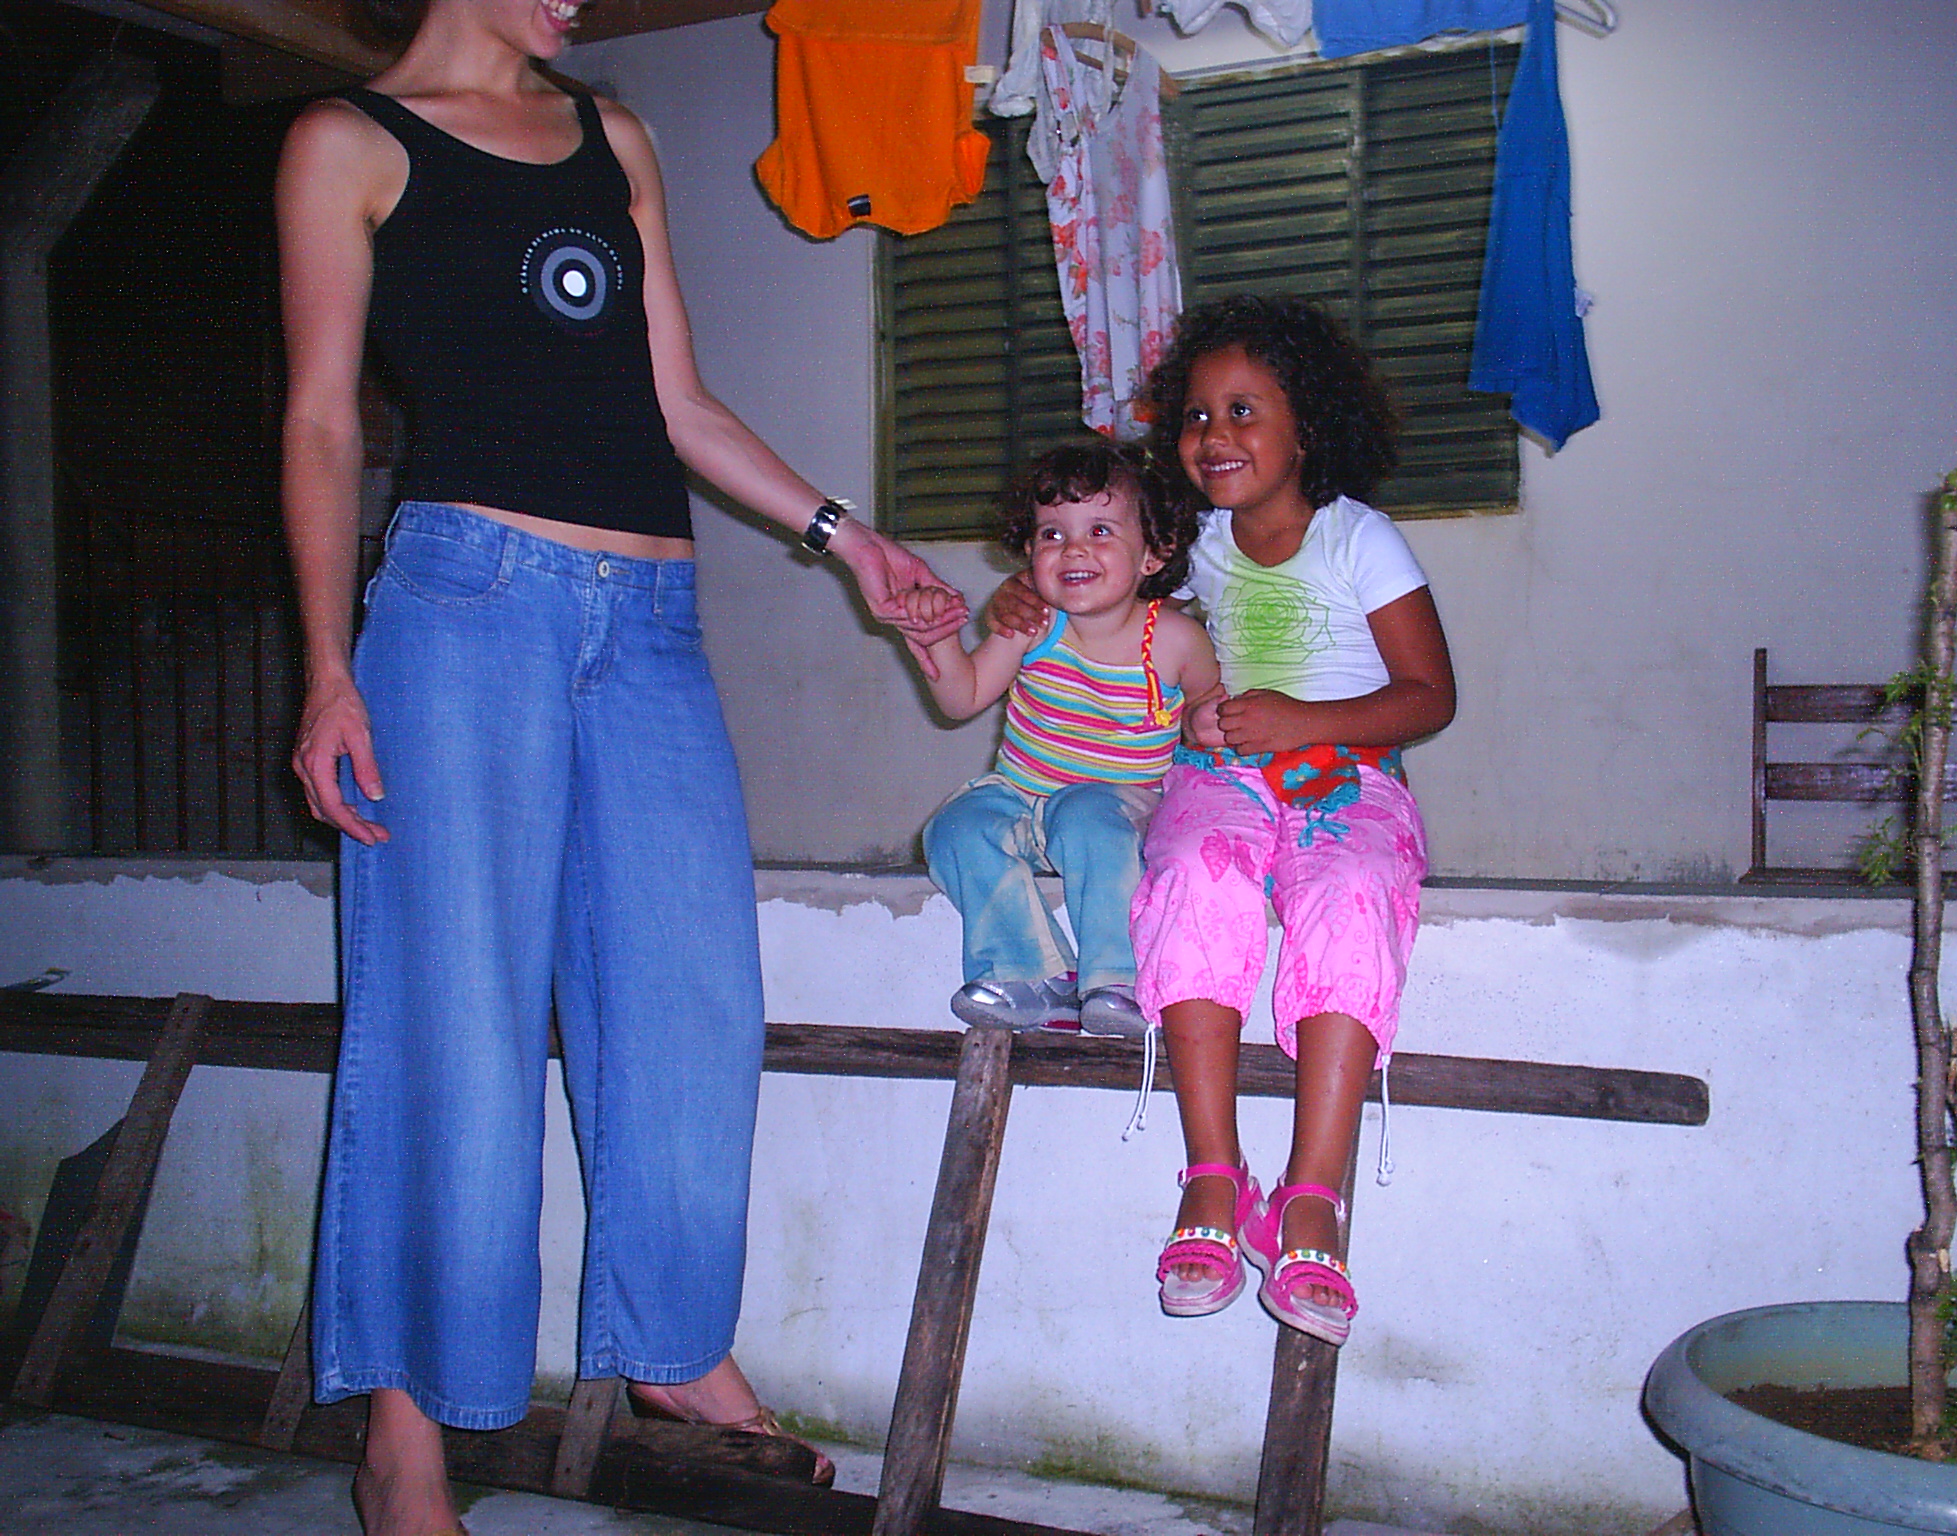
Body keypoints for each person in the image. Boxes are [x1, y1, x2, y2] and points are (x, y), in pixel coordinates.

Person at [274, 0, 965, 1525]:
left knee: (690, 991)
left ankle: (670, 1343)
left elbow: (677, 402)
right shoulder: (347, 144)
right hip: (466, 610)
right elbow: (321, 422)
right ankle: (404, 1434)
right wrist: (326, 668)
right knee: (454, 1022)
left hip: (647, 622)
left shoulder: (614, 137)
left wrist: (850, 542)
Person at [986, 295, 1455, 1347]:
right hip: (1224, 776)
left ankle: (1310, 1193)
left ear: (1309, 424)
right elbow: (1095, 573)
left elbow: (1430, 695)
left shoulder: (1358, 540)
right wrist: (1022, 597)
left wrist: (1304, 719)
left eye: (1244, 411)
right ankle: (1212, 1172)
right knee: (1194, 869)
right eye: (1196, 415)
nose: (1213, 435)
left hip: (1347, 775)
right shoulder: (1192, 541)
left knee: (1351, 891)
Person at [901, 440, 1217, 1038]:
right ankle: (1033, 975)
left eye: (1100, 530)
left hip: (1120, 810)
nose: (1073, 548)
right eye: (1051, 534)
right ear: (1029, 550)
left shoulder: (1175, 640)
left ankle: (1119, 979)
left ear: (1154, 553)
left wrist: (1209, 720)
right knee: (956, 826)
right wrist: (937, 638)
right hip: (1022, 796)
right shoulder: (1034, 625)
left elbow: (1208, 712)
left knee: (1086, 812)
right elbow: (963, 698)